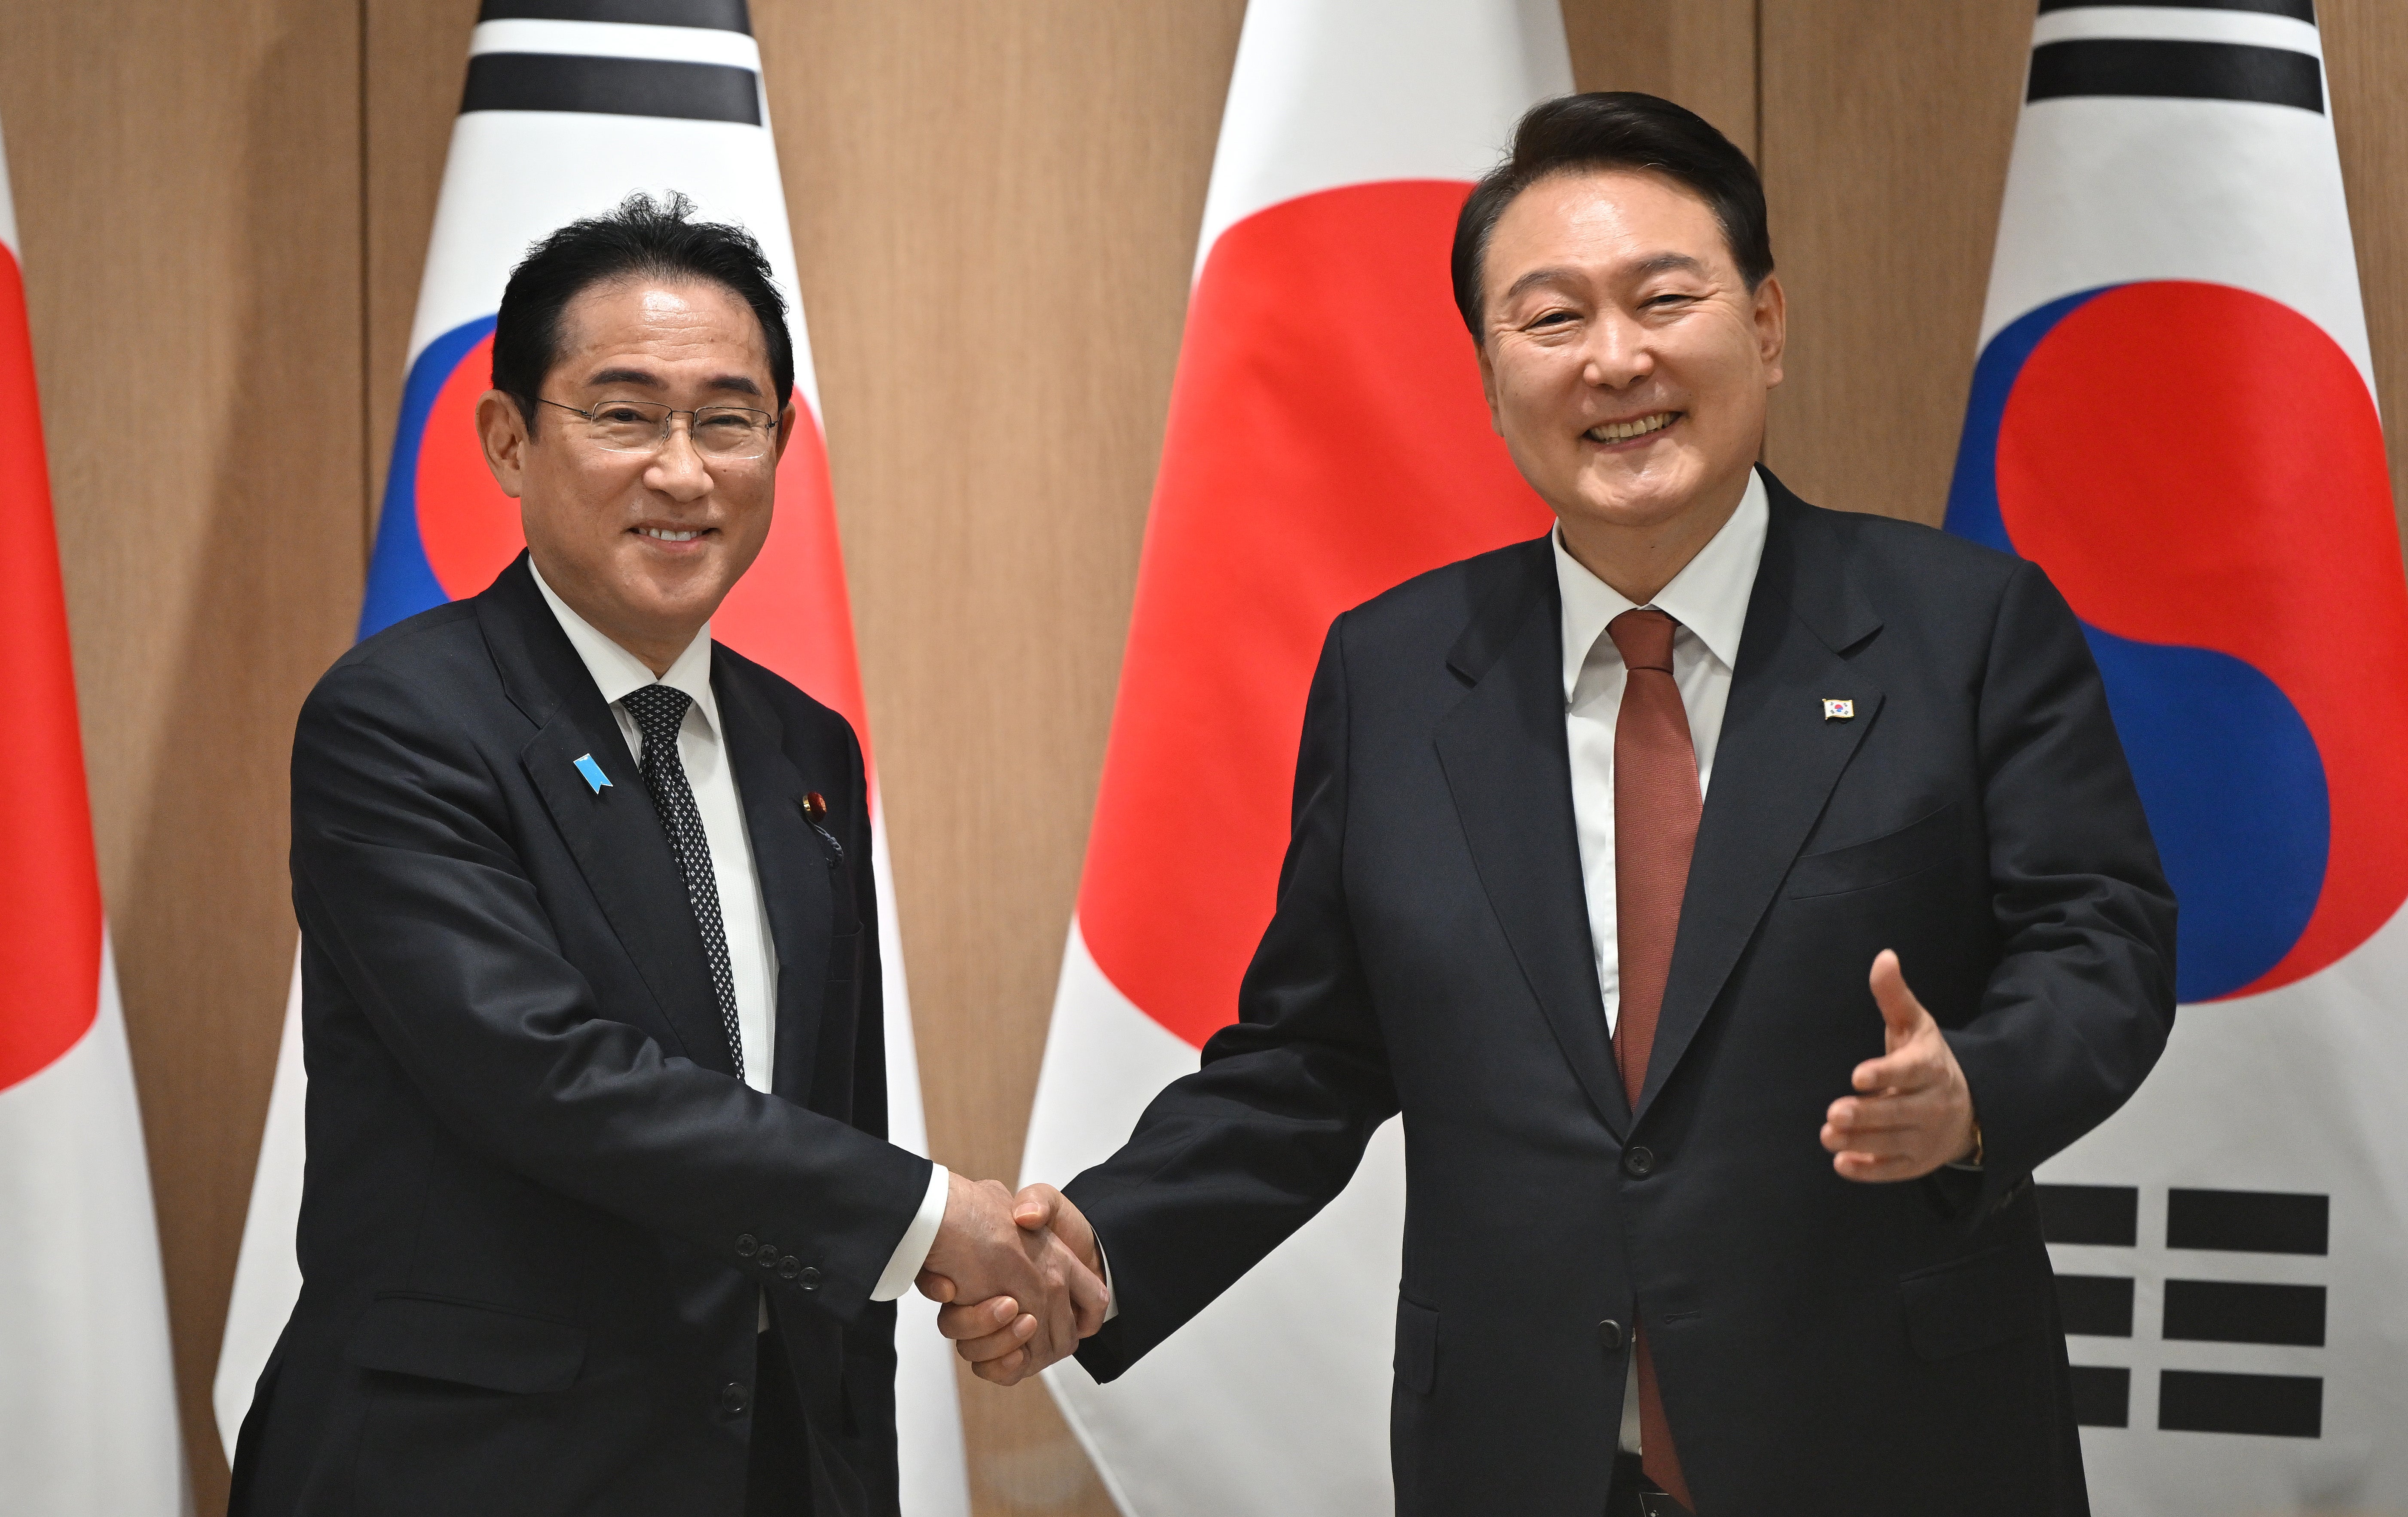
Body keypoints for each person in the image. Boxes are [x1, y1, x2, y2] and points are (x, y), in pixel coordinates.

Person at [935, 95, 2176, 1515]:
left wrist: (1973, 1094)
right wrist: (1101, 1238)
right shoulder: (1395, 670)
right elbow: (1312, 1056)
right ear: (1485, 370)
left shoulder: (1960, 626)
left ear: (1764, 323)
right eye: (1550, 319)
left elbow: (2105, 942)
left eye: (1663, 298)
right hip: (1521, 1457)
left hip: (1892, 1438)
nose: (1616, 360)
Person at [228, 193, 1102, 1517]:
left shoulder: (805, 747)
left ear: (779, 443)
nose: (683, 471)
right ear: (509, 439)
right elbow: (550, 1076)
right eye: (624, 414)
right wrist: (934, 1219)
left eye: (728, 419)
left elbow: (826, 1111)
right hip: (468, 1471)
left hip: (760, 1464)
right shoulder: (398, 719)